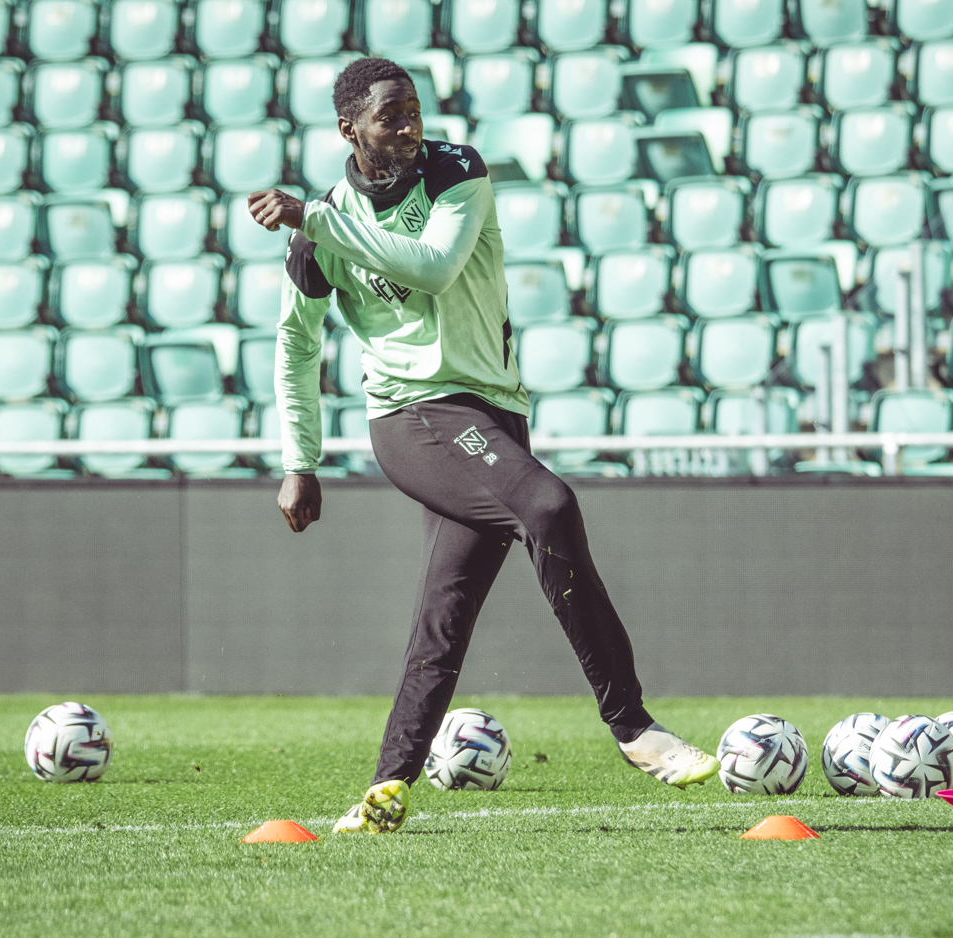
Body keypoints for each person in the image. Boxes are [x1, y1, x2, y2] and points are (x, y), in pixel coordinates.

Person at [247, 57, 717, 835]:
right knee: (547, 504)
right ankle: (634, 727)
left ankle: (386, 786)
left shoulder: (455, 173)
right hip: (412, 416)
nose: (409, 127)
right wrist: (301, 461)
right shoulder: (319, 229)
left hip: (493, 414)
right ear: (349, 129)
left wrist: (315, 220)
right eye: (390, 116)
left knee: (447, 608)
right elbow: (296, 345)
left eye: (413, 111)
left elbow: (433, 268)